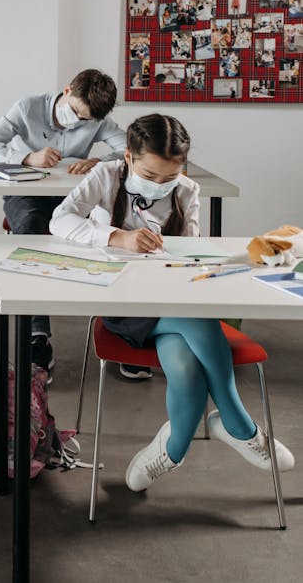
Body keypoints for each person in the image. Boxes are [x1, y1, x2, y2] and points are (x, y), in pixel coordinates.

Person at [49, 113, 295, 491]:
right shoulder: (106, 176)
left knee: (185, 363)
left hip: (172, 301)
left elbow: (189, 253)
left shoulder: (187, 191)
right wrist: (117, 237)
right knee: (197, 319)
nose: (160, 185)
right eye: (151, 175)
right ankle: (236, 422)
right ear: (129, 157)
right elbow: (59, 221)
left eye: (169, 178)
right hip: (124, 304)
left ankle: (173, 449)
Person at [0, 69, 126, 379]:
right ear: (67, 90)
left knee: (117, 227)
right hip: (26, 192)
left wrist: (99, 161)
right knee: (29, 227)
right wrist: (27, 157)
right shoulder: (28, 107)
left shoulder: (95, 118)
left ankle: (124, 332)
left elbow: (130, 149)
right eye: (76, 112)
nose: (78, 121)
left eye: (85, 120)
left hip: (71, 198)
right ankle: (36, 335)